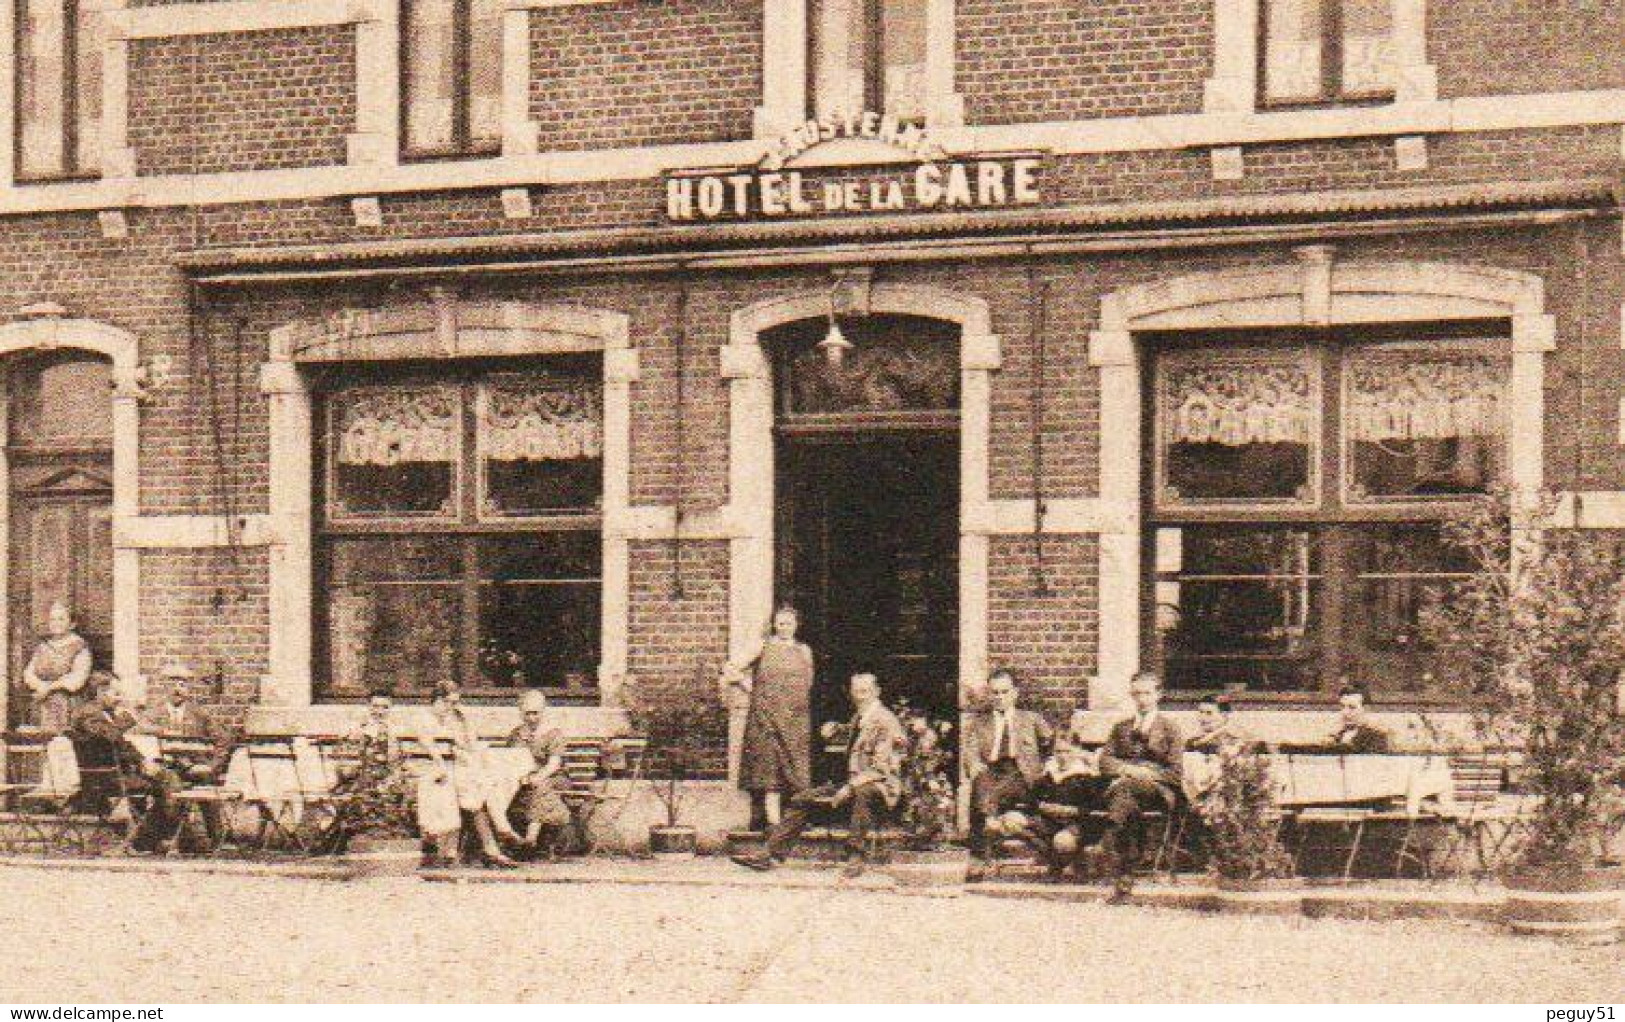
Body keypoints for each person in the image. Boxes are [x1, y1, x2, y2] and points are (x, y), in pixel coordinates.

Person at [732, 673, 904, 878]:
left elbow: (880, 769)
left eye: (864, 692)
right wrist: (838, 729)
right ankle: (770, 854)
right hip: (854, 781)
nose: (859, 696)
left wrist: (848, 788)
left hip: (882, 786)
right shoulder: (861, 716)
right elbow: (858, 738)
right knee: (802, 799)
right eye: (855, 691)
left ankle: (856, 856)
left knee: (863, 794)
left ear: (876, 692)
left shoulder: (885, 721)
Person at [1088, 671, 1185, 894]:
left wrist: (1144, 773)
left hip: (1159, 791)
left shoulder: (1171, 728)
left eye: (1146, 693)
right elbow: (1105, 761)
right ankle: (1126, 869)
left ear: (1158, 695)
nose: (1141, 699)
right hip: (1126, 791)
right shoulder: (1121, 727)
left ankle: (1110, 843)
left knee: (1123, 790)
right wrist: (1127, 769)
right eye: (1136, 694)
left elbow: (1175, 772)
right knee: (1126, 797)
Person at [725, 606, 814, 830]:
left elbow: (808, 683)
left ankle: (796, 821)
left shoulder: (804, 651)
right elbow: (731, 668)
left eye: (789, 623)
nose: (784, 627)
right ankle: (773, 822)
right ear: (774, 624)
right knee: (770, 770)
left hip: (795, 720)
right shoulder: (763, 647)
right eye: (780, 623)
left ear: (797, 625)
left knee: (796, 770)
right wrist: (751, 690)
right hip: (767, 717)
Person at [963, 668, 1052, 880]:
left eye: (1004, 692)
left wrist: (1048, 766)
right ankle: (981, 849)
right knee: (981, 781)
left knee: (984, 791)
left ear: (1015, 693)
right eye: (995, 692)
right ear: (989, 694)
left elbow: (1051, 746)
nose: (999, 697)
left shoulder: (1032, 719)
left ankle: (980, 854)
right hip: (991, 775)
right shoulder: (978, 723)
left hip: (1023, 777)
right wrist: (974, 765)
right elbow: (971, 752)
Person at [418, 683, 519, 868]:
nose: (454, 707)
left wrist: (465, 725)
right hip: (434, 774)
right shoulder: (425, 719)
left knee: (479, 794)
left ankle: (491, 846)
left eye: (456, 703)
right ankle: (496, 840)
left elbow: (466, 745)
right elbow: (431, 750)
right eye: (451, 702)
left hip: (451, 771)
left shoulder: (448, 720)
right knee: (477, 796)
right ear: (439, 700)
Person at [316, 694, 409, 855]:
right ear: (369, 708)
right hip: (358, 781)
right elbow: (344, 762)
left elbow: (400, 761)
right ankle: (345, 844)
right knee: (358, 798)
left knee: (396, 796)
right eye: (375, 706)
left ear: (391, 709)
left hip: (387, 781)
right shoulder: (357, 730)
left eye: (384, 707)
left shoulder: (395, 732)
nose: (379, 711)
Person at [507, 689, 571, 858]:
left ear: (543, 711)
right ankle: (507, 838)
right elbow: (509, 759)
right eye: (527, 714)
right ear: (521, 713)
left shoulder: (553, 734)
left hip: (553, 777)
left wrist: (536, 777)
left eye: (535, 713)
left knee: (539, 787)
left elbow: (554, 764)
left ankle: (530, 839)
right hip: (522, 778)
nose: (531, 718)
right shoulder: (516, 734)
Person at [23, 602, 93, 735]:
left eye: (61, 619)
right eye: (52, 619)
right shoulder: (42, 647)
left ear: (72, 623)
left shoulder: (79, 646)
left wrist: (49, 688)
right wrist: (39, 685)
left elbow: (78, 678)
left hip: (67, 704)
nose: (56, 623)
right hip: (41, 703)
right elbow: (29, 672)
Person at [1329, 686, 1390, 753]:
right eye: (1342, 706)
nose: (1345, 712)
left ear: (1366, 709)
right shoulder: (1338, 735)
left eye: (1352, 707)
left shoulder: (1377, 738)